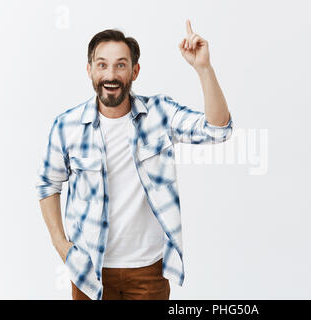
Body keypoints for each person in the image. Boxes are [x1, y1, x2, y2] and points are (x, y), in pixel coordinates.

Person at [35, 20, 233, 300]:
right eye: (102, 65)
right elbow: (48, 185)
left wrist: (203, 68)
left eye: (120, 65)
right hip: (88, 270)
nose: (111, 74)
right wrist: (61, 245)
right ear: (89, 70)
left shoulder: (160, 113)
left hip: (148, 271)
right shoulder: (66, 125)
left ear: (135, 71)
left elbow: (218, 130)